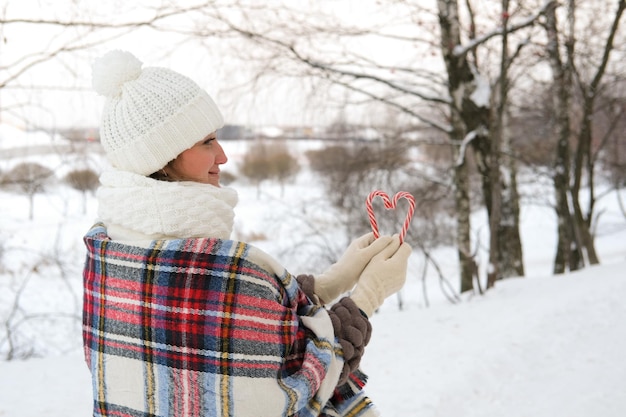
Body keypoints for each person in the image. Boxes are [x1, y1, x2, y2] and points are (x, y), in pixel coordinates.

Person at [83, 50, 412, 417]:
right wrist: (369, 295)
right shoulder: (225, 270)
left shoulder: (107, 250)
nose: (222, 156)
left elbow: (257, 321)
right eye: (207, 141)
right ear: (162, 156)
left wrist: (336, 279)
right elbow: (304, 380)